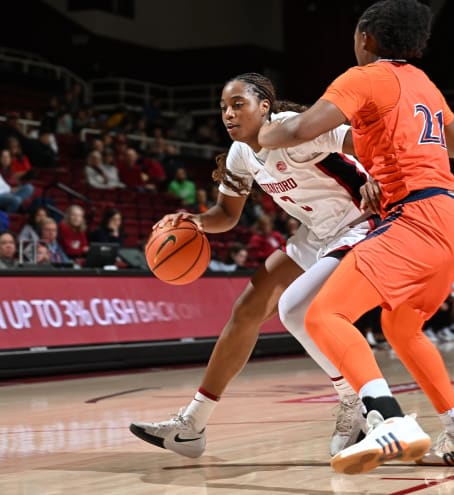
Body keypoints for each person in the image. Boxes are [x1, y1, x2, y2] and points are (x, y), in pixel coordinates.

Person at [258, 0, 454, 474]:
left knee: (323, 315)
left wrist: (264, 135)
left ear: (366, 37)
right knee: (402, 329)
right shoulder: (423, 82)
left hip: (417, 217)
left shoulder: (362, 77)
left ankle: (389, 421)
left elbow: (302, 127)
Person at [130, 72, 375, 459]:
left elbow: (367, 140)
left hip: (362, 223)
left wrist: (379, 178)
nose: (228, 114)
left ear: (265, 106)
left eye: (238, 104)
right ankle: (192, 426)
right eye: (223, 107)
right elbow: (226, 215)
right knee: (246, 310)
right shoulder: (241, 154)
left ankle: (356, 402)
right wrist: (192, 220)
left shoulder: (295, 131)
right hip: (317, 232)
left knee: (296, 310)